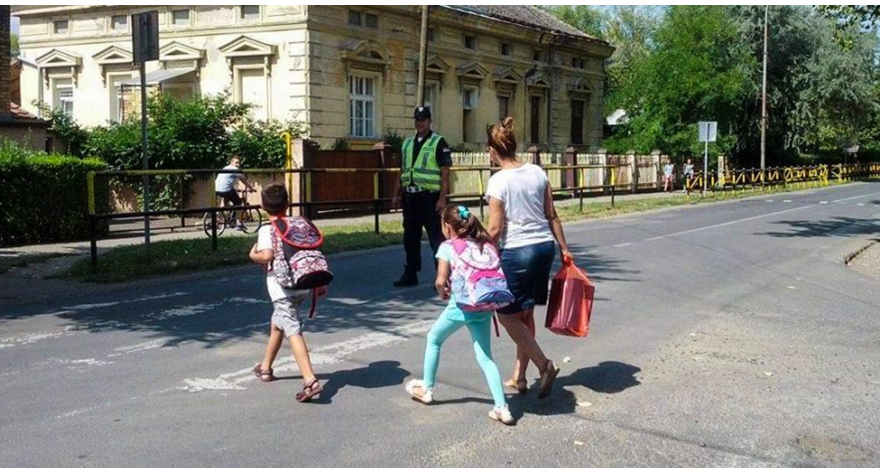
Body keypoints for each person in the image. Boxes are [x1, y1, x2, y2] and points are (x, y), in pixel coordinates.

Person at [484, 117, 572, 399]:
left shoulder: (498, 181)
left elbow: (495, 229)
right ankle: (519, 378)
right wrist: (564, 248)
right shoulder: (537, 172)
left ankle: (544, 365)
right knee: (525, 313)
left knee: (506, 315)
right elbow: (552, 214)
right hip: (544, 248)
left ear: (493, 151)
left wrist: (475, 248)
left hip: (518, 252)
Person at [404, 204, 515, 425]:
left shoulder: (448, 246)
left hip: (461, 306)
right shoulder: (484, 243)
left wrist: (442, 291)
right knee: (485, 357)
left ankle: (427, 388)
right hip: (484, 305)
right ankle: (502, 408)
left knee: (434, 339)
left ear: (447, 226)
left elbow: (439, 280)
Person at [249, 183, 322, 402]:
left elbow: (267, 256)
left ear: (262, 206)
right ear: (288, 203)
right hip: (304, 283)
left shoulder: (267, 229)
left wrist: (253, 255)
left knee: (293, 330)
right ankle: (265, 368)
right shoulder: (299, 223)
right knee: (277, 325)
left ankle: (310, 380)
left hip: (282, 288)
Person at [390, 106, 452, 287]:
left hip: (429, 198)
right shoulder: (407, 143)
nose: (420, 123)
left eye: (423, 119)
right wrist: (396, 194)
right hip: (410, 197)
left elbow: (445, 173)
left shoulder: (438, 142)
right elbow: (402, 170)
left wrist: (442, 199)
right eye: (417, 119)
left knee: (436, 238)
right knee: (410, 237)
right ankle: (410, 273)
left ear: (429, 121)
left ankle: (442, 276)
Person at [215, 156, 255, 231]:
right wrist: (251, 189)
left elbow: (227, 181)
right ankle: (239, 224)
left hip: (217, 189)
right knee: (238, 203)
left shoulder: (225, 167)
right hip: (226, 189)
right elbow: (243, 180)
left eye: (239, 163)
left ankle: (218, 215)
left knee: (226, 197)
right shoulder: (235, 169)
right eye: (236, 162)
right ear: (231, 162)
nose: (238, 164)